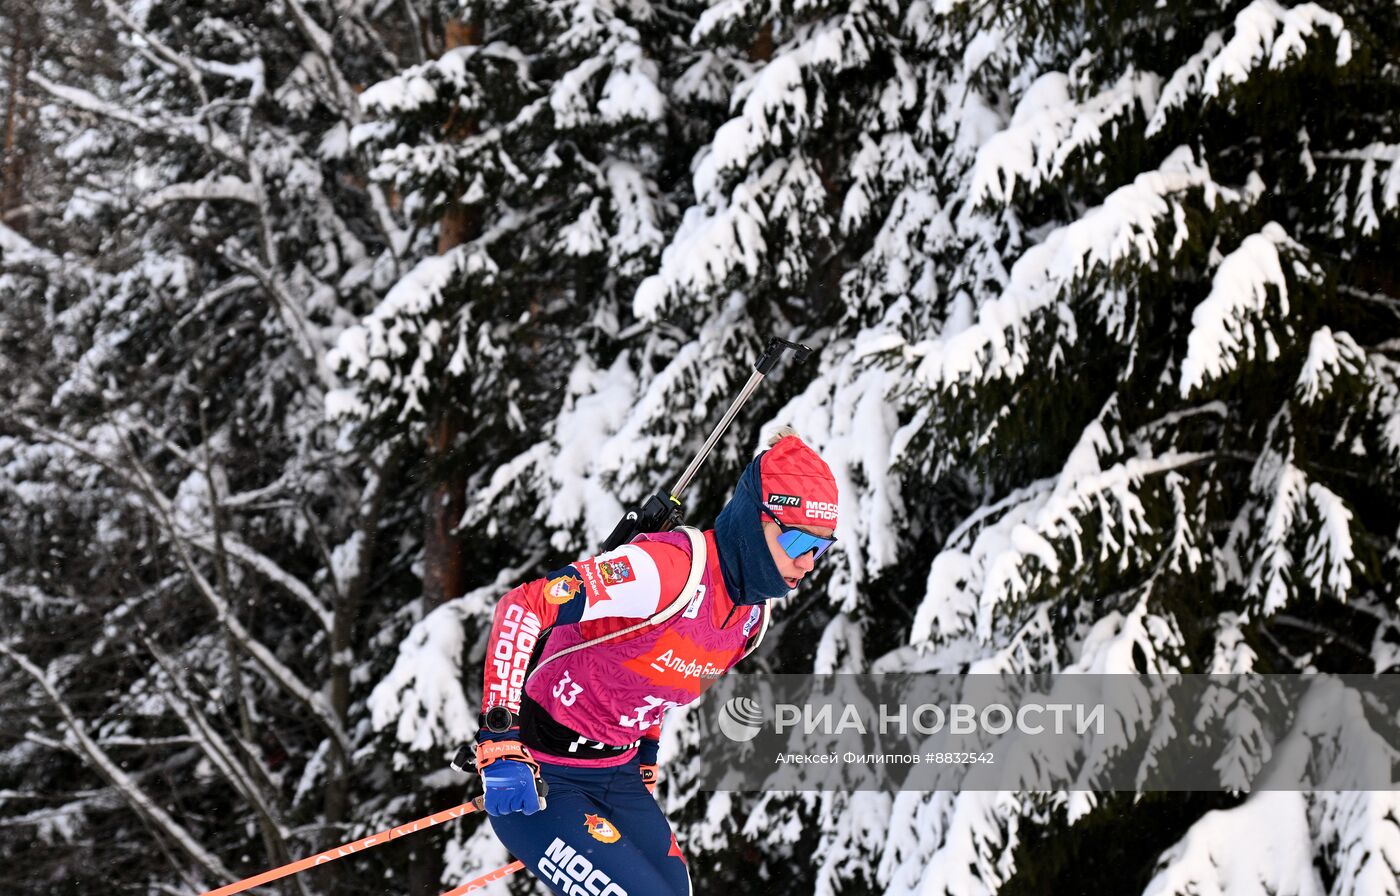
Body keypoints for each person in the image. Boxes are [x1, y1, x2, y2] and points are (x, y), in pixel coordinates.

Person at [473, 429, 839, 896]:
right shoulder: (664, 572)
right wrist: (499, 738)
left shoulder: (749, 619)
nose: (807, 564)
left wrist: (646, 750)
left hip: (617, 776)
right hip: (541, 774)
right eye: (796, 544)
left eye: (820, 550)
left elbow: (657, 680)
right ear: (753, 521)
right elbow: (523, 608)